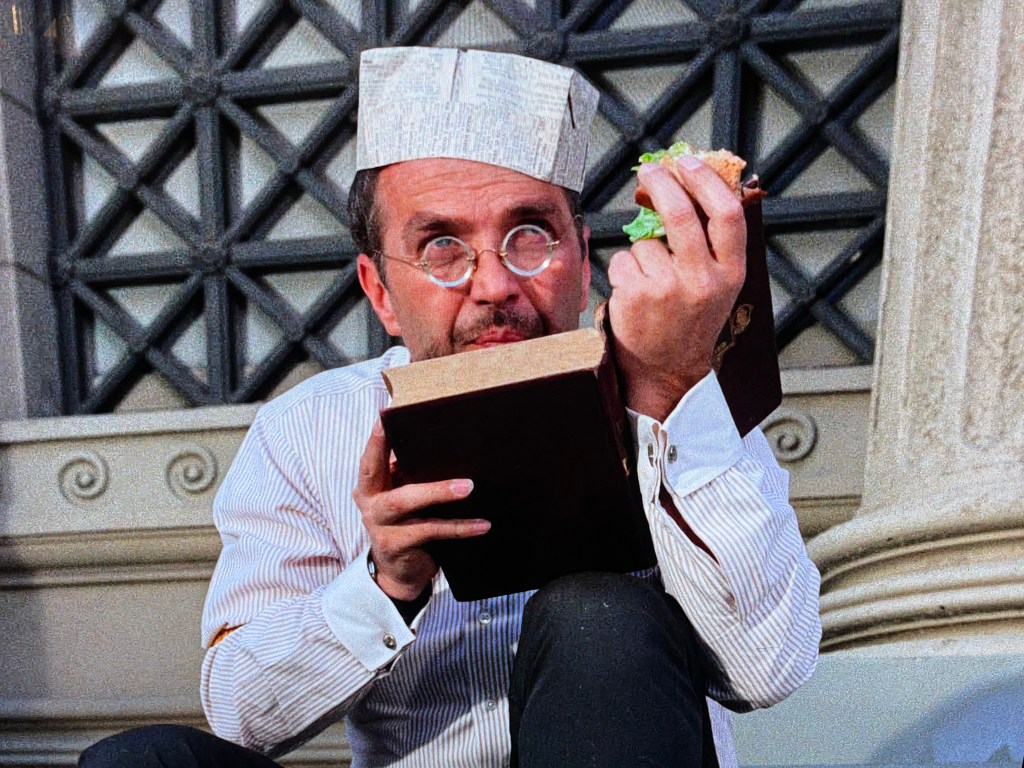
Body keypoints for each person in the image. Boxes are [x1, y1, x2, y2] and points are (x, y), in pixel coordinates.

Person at [79, 47, 820, 768]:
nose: (494, 285)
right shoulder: (306, 428)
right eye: (441, 247)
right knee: (142, 761)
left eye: (530, 236)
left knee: (597, 615)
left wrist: (669, 392)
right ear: (379, 291)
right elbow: (241, 711)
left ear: (580, 256)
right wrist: (386, 584)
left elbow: (766, 671)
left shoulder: (678, 381)